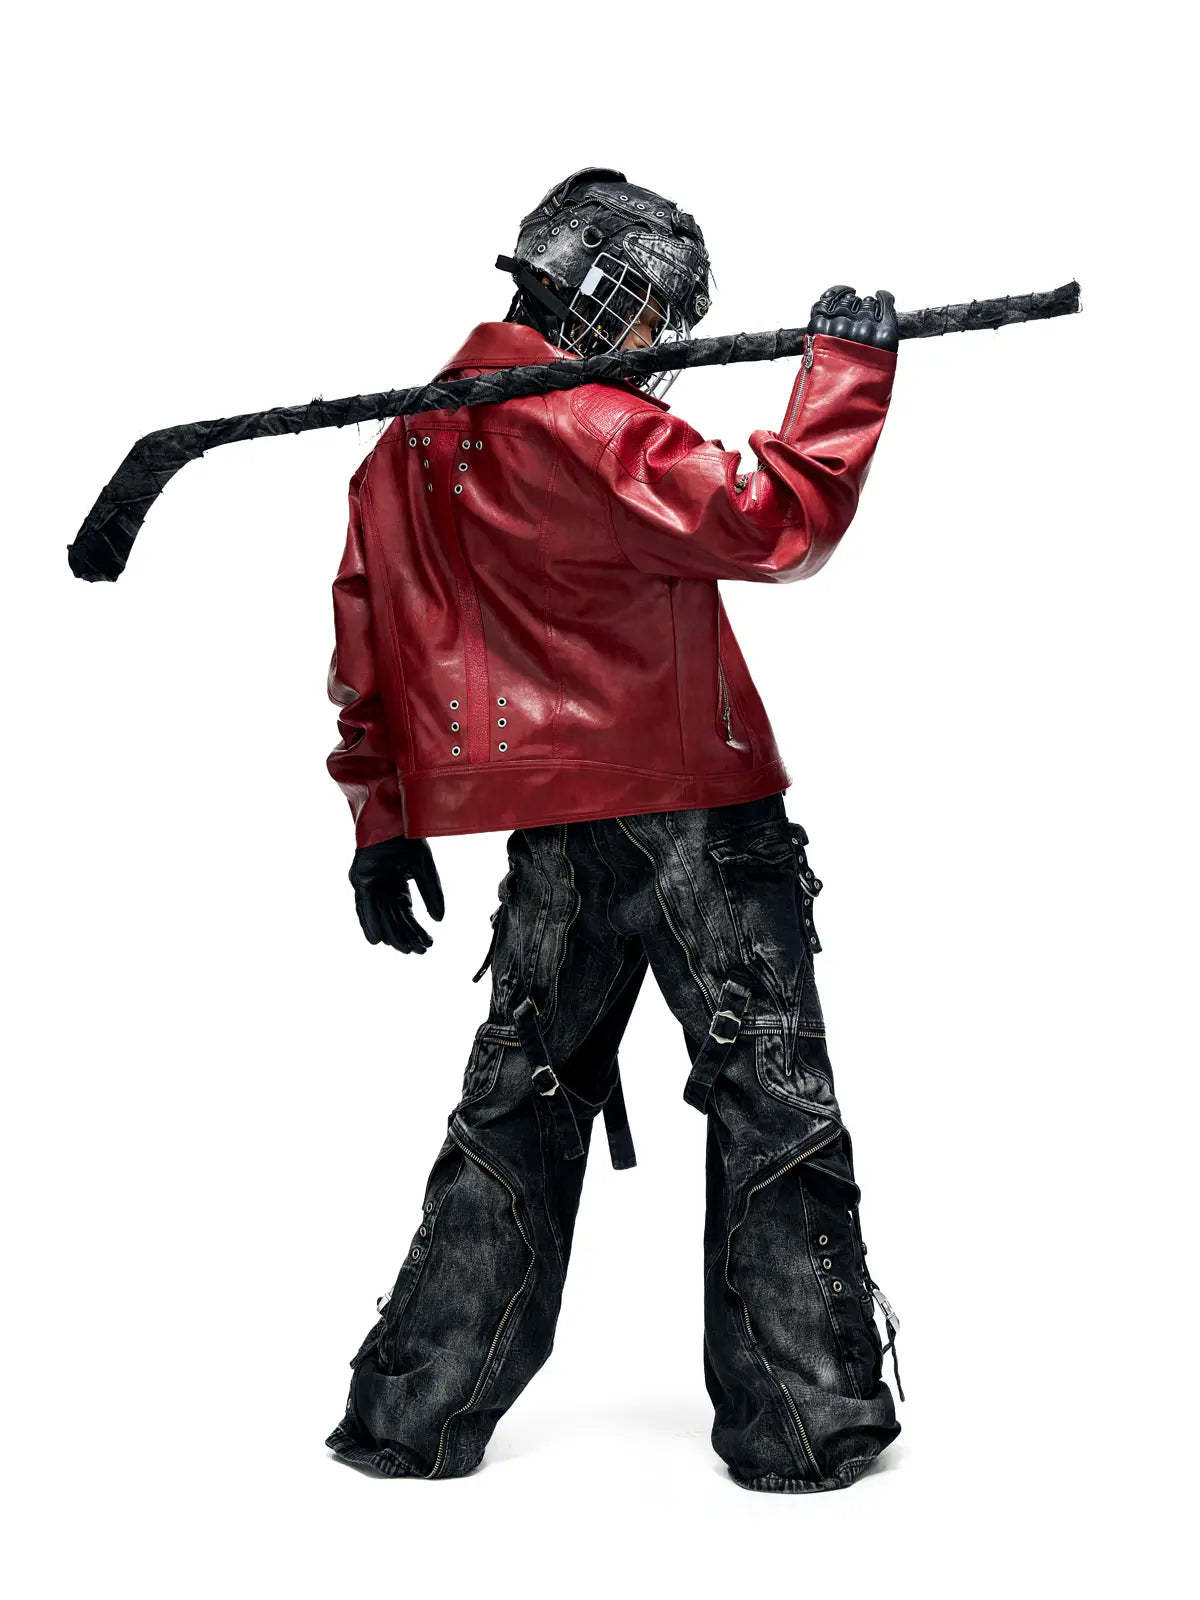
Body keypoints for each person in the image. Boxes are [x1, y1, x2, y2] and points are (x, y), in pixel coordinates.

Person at [324, 167, 902, 1492]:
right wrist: (846, 380)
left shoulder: (411, 442)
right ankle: (803, 1417)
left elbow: (369, 631)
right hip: (698, 812)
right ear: (593, 290)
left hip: (554, 828)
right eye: (651, 312)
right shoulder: (595, 425)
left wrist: (383, 818)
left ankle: (414, 1408)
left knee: (518, 1101)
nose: (660, 343)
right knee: (771, 1096)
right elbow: (771, 522)